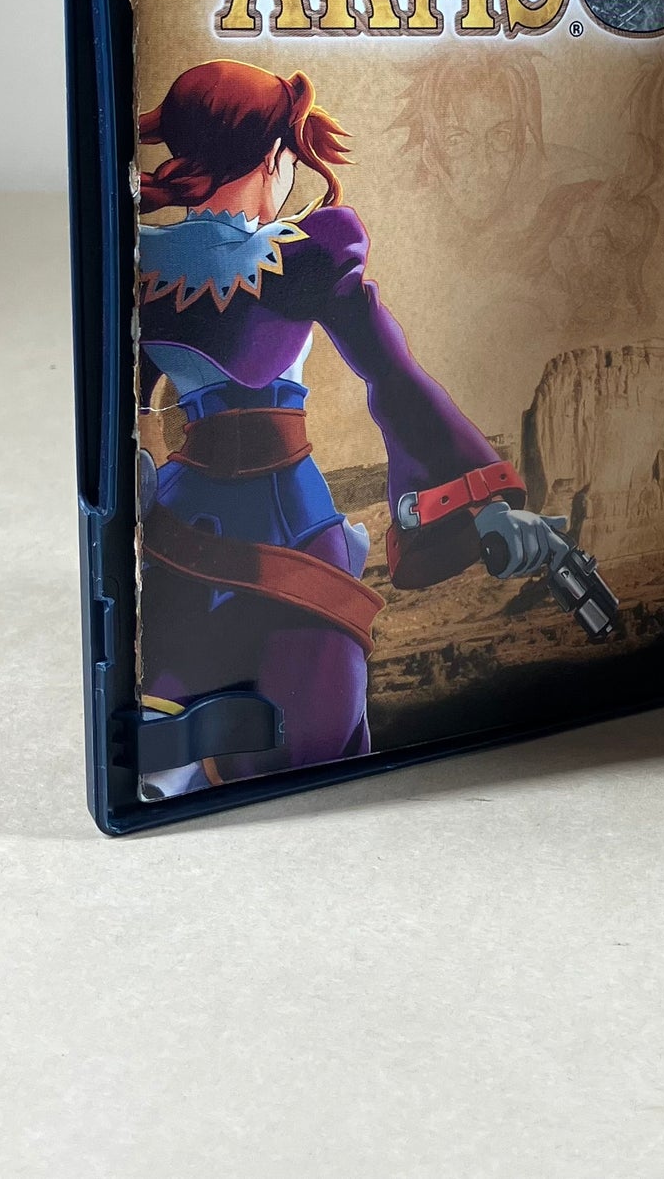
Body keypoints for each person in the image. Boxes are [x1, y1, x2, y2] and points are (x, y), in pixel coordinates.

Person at [134, 59, 562, 794]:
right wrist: (481, 496)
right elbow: (393, 376)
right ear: (275, 158)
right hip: (292, 531)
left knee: (183, 733)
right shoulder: (309, 252)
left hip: (177, 529)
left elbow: (135, 416)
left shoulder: (144, 262)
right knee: (312, 742)